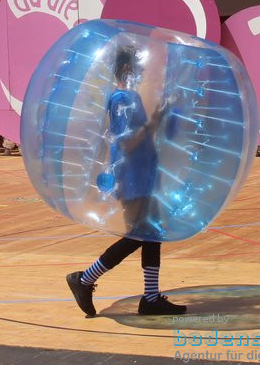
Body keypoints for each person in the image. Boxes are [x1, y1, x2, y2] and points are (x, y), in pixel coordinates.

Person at [66, 46, 186, 317]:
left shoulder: (131, 97)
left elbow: (142, 140)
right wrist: (153, 122)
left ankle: (151, 298)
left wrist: (162, 118)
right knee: (137, 235)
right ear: (126, 70)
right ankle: (84, 279)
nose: (142, 75)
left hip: (143, 173)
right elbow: (128, 143)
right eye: (138, 70)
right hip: (131, 176)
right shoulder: (120, 99)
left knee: (151, 233)